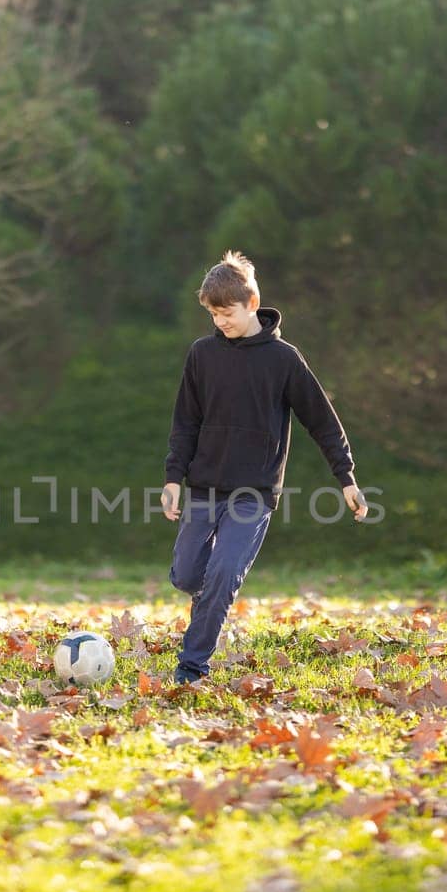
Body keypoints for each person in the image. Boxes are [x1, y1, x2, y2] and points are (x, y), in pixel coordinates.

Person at [160, 250, 366, 687]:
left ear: (252, 304)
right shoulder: (202, 355)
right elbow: (185, 422)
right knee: (187, 576)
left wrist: (345, 477)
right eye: (213, 314)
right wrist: (173, 478)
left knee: (222, 575)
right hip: (204, 487)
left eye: (227, 313)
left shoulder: (284, 360)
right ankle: (210, 604)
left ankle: (191, 669)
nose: (221, 322)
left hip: (254, 493)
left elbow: (322, 421)